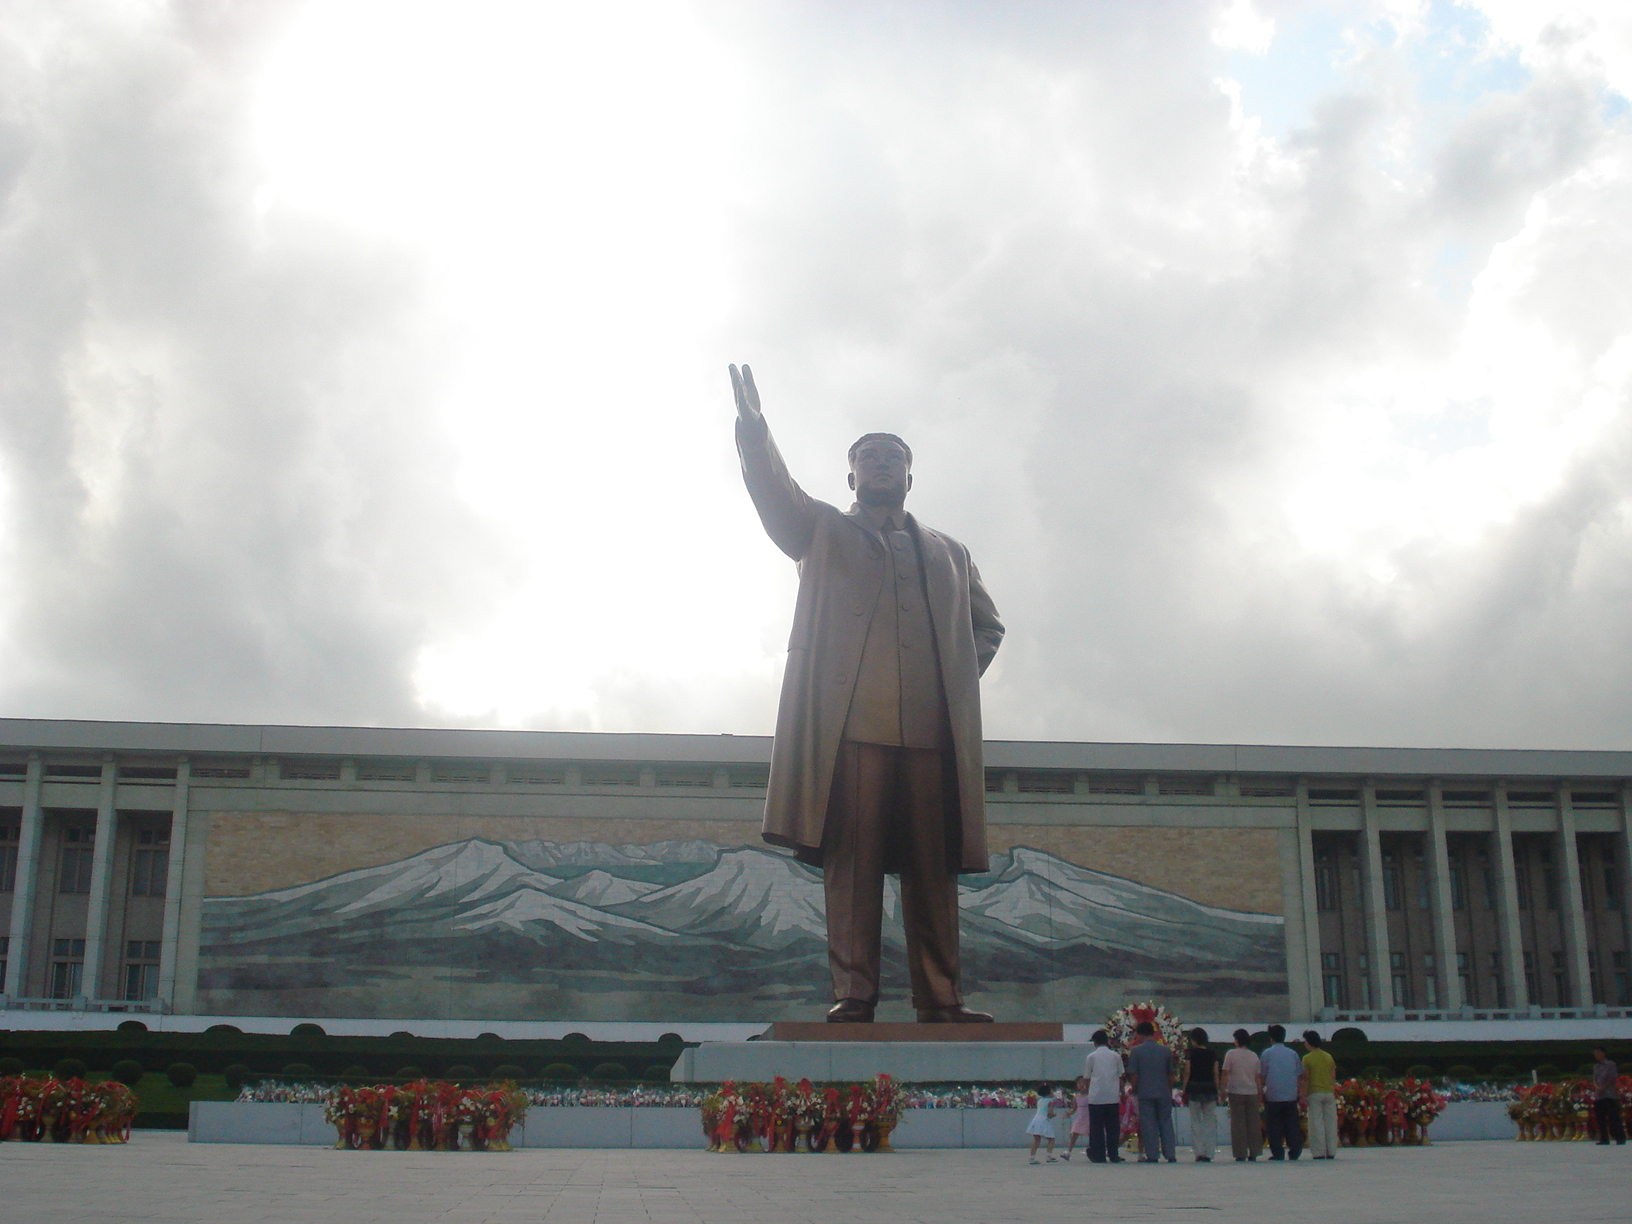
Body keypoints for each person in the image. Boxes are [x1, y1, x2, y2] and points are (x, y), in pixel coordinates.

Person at [731, 364, 1005, 1024]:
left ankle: (942, 998)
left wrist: (954, 681)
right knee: (852, 867)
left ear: (910, 476)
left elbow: (987, 627)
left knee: (933, 871)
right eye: (869, 457)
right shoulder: (822, 530)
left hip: (932, 736)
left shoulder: (950, 552)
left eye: (894, 457)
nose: (882, 464)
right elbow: (776, 495)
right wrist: (754, 433)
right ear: (851, 477)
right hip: (853, 730)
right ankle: (854, 994)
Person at [1126, 1020, 1178, 1163]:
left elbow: (1133, 1074)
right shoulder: (1165, 1050)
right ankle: (1170, 1154)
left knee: (1148, 1123)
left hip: (1145, 1092)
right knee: (1166, 1122)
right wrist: (1169, 1089)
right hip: (1163, 1092)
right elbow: (1171, 1074)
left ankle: (1153, 1155)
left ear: (1141, 1035)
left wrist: (1134, 1088)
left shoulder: (1136, 1051)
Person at [1259, 1024, 1305, 1161]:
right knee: (1292, 1124)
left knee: (1273, 1125)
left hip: (1273, 1095)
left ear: (1271, 1038)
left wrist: (1261, 1091)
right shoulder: (1292, 1053)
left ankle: (1278, 1153)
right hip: (1290, 1094)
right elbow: (1299, 1074)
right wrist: (1299, 1091)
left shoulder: (1267, 1053)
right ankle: (1295, 1150)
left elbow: (1262, 1074)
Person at [1083, 1029, 1127, 1164]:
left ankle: (1098, 1155)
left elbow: (1087, 1078)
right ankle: (1113, 1154)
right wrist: (1123, 1093)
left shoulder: (1091, 1057)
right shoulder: (1115, 1056)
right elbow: (1121, 1076)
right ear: (1107, 1041)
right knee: (1113, 1128)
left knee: (1096, 1128)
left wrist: (1087, 1092)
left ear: (1095, 1042)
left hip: (1096, 1097)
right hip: (1112, 1096)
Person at [1221, 1027, 1263, 1162]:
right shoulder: (1254, 1056)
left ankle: (1240, 1153)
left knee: (1238, 1123)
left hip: (1236, 1091)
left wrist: (1222, 1089)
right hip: (1252, 1091)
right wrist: (1260, 1092)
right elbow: (1258, 1076)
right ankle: (1254, 1151)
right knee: (1253, 1123)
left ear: (1237, 1040)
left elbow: (1225, 1073)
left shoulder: (1231, 1054)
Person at [1183, 1026, 1219, 1162]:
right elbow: (1216, 1073)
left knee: (1195, 1120)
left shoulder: (1190, 1053)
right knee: (1210, 1121)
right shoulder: (1212, 1053)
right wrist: (1218, 1089)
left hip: (1194, 1088)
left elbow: (1187, 1072)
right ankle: (1209, 1152)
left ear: (1193, 1040)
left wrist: (1184, 1089)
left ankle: (1199, 1152)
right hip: (1209, 1088)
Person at [1302, 1030, 1338, 1159]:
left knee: (1316, 1123)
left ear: (1309, 1042)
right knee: (1330, 1122)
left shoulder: (1307, 1058)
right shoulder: (1328, 1056)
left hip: (1314, 1092)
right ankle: (1331, 1150)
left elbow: (1306, 1078)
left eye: (1305, 1041)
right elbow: (1333, 1076)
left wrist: (1303, 1094)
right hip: (1328, 1092)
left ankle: (1319, 1152)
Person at [1591, 1047, 1626, 1145]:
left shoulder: (1611, 1064)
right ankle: (1604, 1138)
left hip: (1609, 1095)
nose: (1596, 1055)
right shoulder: (1596, 1066)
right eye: (1595, 1053)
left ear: (1603, 1053)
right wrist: (1597, 1087)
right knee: (1600, 1118)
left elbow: (1612, 1078)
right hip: (1599, 1095)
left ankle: (1620, 1138)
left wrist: (1603, 1087)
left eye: (1598, 1053)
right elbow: (1594, 1079)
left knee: (1613, 1117)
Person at [1026, 1083, 1064, 1164]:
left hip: (1036, 1120)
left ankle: (1032, 1158)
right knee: (1051, 1139)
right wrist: (1054, 1115)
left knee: (1036, 1141)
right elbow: (1050, 1114)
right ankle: (1048, 1156)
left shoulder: (1040, 1100)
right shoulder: (1050, 1101)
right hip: (1043, 1121)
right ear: (1048, 1092)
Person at [1062, 1075, 1092, 1160]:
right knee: (1074, 1134)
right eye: (1080, 1083)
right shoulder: (1076, 1097)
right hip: (1080, 1119)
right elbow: (1074, 1108)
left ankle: (1093, 1150)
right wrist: (1069, 1113)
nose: (1082, 1085)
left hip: (1089, 1118)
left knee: (1092, 1136)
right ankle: (1068, 1152)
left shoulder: (1091, 1095)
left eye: (1084, 1083)